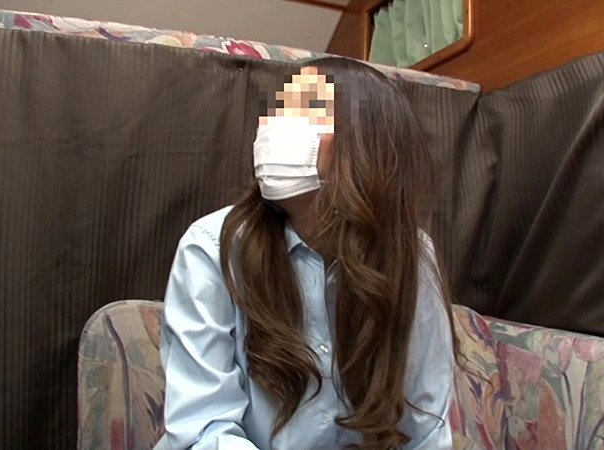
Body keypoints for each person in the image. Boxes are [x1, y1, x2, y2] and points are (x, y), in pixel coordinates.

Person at [156, 57, 456, 450]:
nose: (275, 125)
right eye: (279, 109)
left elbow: (426, 428)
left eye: (310, 108)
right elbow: (202, 428)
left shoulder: (411, 256)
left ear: (367, 144)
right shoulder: (213, 246)